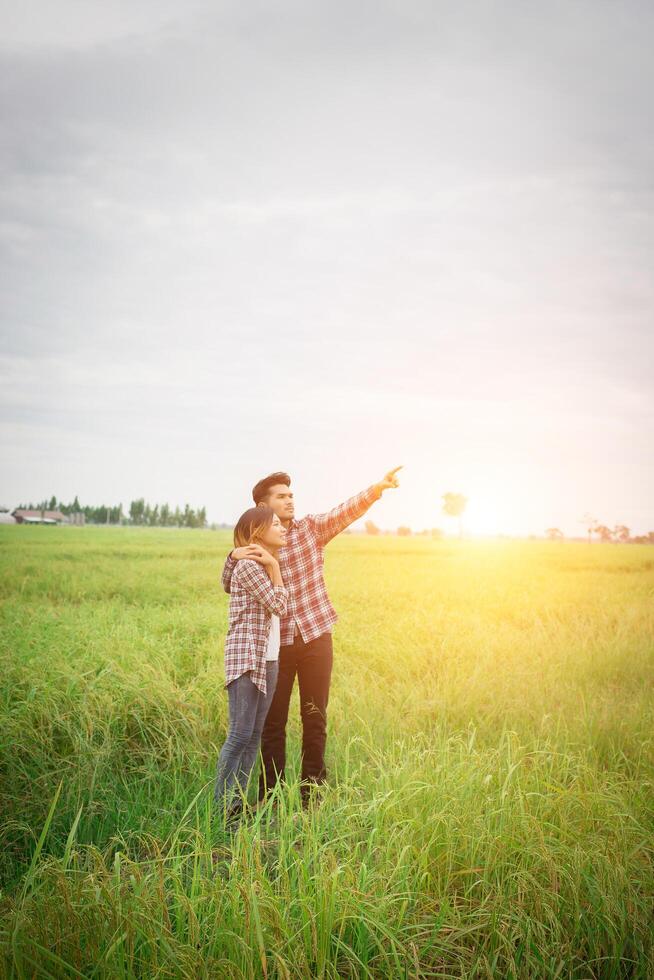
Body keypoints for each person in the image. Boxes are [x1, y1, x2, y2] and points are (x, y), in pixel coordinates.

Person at [221, 467, 401, 805]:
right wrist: (232, 555)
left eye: (291, 495)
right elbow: (230, 580)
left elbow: (345, 511)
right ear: (263, 504)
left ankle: (312, 795)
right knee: (272, 725)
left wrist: (376, 488)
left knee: (315, 716)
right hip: (278, 647)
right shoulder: (257, 547)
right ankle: (269, 798)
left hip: (317, 636)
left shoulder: (310, 530)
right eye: (281, 496)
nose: (290, 500)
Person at [213, 505, 288, 820]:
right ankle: (221, 808)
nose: (283, 527)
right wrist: (275, 569)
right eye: (275, 524)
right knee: (240, 734)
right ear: (258, 531)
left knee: (254, 734)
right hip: (247, 660)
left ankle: (236, 806)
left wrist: (266, 563)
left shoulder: (250, 564)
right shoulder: (250, 568)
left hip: (268, 658)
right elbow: (278, 605)